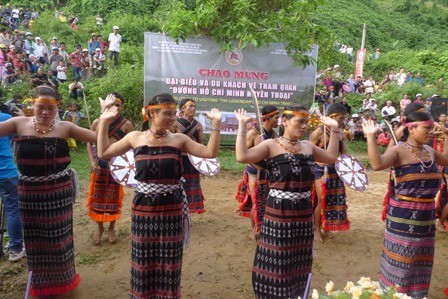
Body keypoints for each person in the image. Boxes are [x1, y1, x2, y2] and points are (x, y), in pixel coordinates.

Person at [96, 93, 221, 298]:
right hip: (143, 209)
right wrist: (103, 121)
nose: (173, 118)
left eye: (174, 114)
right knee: (143, 258)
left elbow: (209, 153)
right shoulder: (135, 137)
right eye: (167, 114)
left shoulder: (179, 139)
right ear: (152, 113)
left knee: (170, 260)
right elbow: (103, 152)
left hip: (172, 208)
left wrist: (216, 125)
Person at [0, 85, 101, 297]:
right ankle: (39, 284)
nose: (45, 112)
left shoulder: (66, 127)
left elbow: (100, 141)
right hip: (29, 194)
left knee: (59, 241)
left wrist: (106, 119)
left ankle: (63, 283)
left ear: (58, 107)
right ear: (32, 105)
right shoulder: (18, 123)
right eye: (40, 107)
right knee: (35, 241)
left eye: (51, 108)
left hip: (58, 195)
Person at [234, 105, 340, 299]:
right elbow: (242, 157)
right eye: (300, 122)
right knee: (276, 258)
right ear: (285, 121)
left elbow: (331, 156)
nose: (304, 126)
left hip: (303, 215)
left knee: (299, 261)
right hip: (278, 213)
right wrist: (242, 128)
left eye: (306, 122)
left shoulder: (307, 146)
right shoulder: (270, 146)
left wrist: (334, 130)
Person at [362, 102, 448, 299]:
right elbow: (376, 164)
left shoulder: (429, 151)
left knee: (420, 262)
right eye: (427, 128)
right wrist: (370, 137)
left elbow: (446, 159)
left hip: (425, 219)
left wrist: (447, 136)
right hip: (402, 216)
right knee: (400, 262)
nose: (431, 132)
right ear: (411, 128)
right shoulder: (399, 150)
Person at [86, 92, 134, 245]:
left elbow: (132, 148)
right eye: (111, 104)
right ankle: (99, 227)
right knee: (97, 197)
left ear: (122, 107)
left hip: (117, 166)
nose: (114, 107)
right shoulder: (97, 122)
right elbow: (89, 143)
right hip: (100, 165)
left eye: (117, 105)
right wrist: (92, 162)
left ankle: (112, 227)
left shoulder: (127, 125)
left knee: (114, 199)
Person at [235, 105, 279, 237]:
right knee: (257, 202)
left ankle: (265, 227)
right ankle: (255, 231)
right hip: (255, 172)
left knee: (268, 201)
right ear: (268, 118)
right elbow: (242, 153)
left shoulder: (275, 133)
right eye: (276, 118)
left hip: (269, 173)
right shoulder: (253, 133)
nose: (278, 121)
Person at [310, 103, 350, 243]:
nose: (342, 121)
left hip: (336, 170)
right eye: (340, 118)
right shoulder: (319, 132)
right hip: (321, 171)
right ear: (332, 117)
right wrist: (322, 164)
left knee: (331, 201)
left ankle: (325, 226)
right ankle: (316, 230)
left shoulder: (340, 132)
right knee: (322, 201)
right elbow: (310, 152)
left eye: (344, 118)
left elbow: (344, 153)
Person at [172, 98, 207, 214]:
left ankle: (188, 212)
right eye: (190, 106)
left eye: (194, 107)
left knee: (192, 185)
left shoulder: (198, 125)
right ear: (183, 108)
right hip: (179, 160)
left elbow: (200, 144)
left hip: (193, 160)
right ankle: (177, 210)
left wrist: (202, 162)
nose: (193, 108)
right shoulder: (175, 124)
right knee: (178, 185)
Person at [0, 111, 25, 262]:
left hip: (6, 173)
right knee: (13, 209)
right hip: (6, 172)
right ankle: (16, 248)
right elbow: (18, 139)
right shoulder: (6, 118)